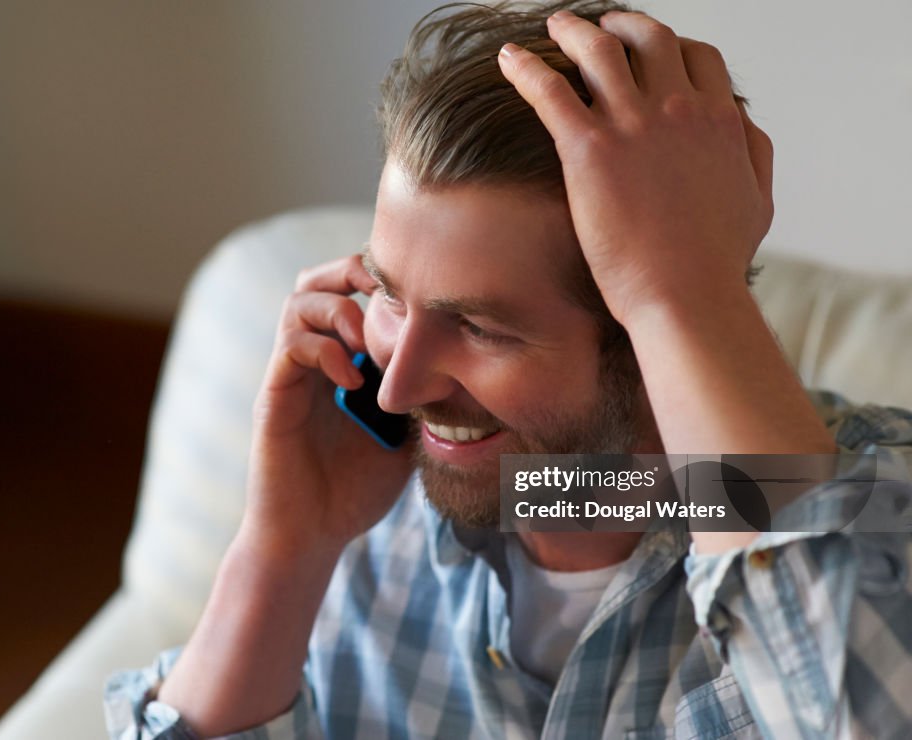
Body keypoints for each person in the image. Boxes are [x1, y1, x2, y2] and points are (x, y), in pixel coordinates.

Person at [105, 2, 912, 738]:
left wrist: (688, 292)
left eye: (480, 327)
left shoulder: (885, 504)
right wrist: (282, 552)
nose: (398, 388)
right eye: (388, 290)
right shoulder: (372, 519)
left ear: (648, 326)